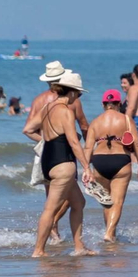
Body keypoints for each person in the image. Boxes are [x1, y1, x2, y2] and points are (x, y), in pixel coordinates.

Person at [32, 72, 95, 257]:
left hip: (47, 161)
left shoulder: (46, 108)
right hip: (63, 163)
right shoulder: (67, 111)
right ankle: (38, 250)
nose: (78, 97)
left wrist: (44, 140)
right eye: (79, 94)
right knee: (50, 209)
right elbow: (74, 142)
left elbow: (27, 129)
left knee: (78, 202)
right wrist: (86, 167)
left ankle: (79, 246)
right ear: (73, 92)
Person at [82, 88, 138, 242]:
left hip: (99, 162)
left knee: (107, 202)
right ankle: (109, 233)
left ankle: (111, 233)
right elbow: (137, 143)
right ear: (118, 103)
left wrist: (86, 169)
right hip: (120, 161)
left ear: (104, 104)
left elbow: (88, 147)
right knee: (117, 202)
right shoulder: (126, 120)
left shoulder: (96, 122)